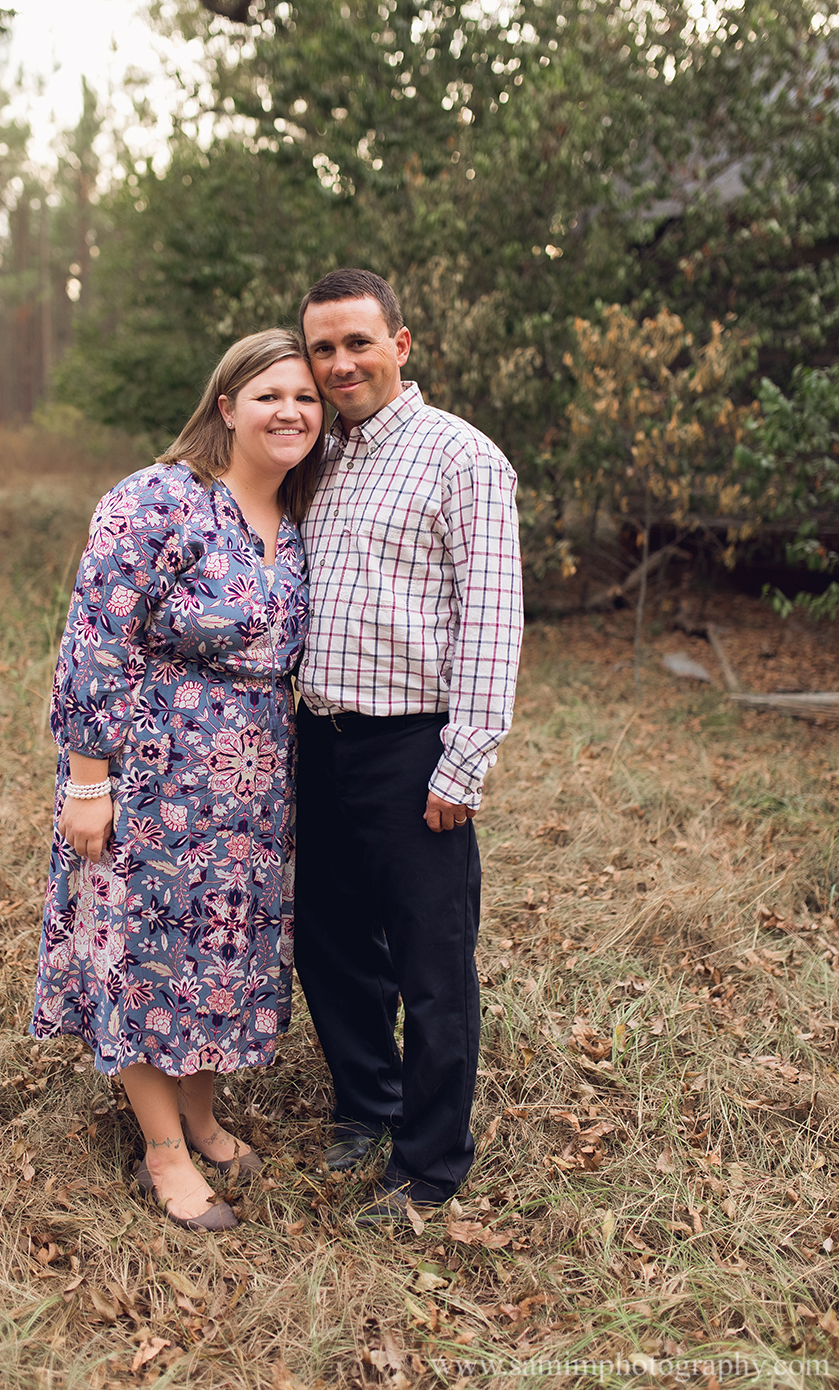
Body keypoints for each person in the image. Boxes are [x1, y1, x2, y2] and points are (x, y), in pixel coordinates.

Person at [30, 329, 324, 1232]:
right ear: (226, 405)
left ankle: (199, 1113)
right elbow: (96, 638)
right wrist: (88, 780)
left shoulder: (303, 517)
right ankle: (161, 1146)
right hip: (152, 779)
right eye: (270, 395)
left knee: (218, 951)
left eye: (307, 399)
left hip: (253, 788)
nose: (291, 412)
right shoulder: (157, 501)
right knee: (143, 952)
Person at [294, 269, 523, 1224]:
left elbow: (492, 619)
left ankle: (430, 1164)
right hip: (317, 735)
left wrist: (462, 759)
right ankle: (367, 1104)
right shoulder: (316, 453)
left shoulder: (461, 459)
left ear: (402, 343)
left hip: (411, 744)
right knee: (330, 941)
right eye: (322, 349)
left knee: (433, 960)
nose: (340, 363)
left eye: (358, 342)